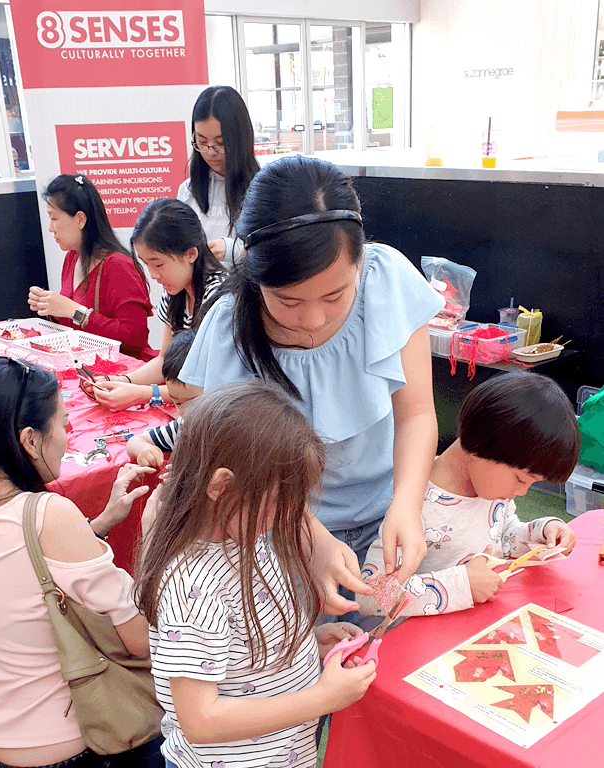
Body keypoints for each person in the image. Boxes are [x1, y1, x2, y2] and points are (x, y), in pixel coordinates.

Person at [177, 155, 446, 615]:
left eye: (336, 295)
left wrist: (406, 502)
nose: (314, 319)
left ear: (361, 262)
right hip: (275, 529)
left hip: (387, 513)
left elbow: (417, 414)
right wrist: (311, 539)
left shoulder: (387, 283)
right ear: (256, 277)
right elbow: (238, 467)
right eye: (288, 300)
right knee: (305, 661)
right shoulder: (228, 329)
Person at [137, 382, 374, 768]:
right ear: (221, 486)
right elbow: (200, 719)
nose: (290, 514)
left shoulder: (250, 536)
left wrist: (303, 646)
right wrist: (323, 698)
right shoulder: (194, 588)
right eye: (282, 500)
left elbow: (234, 650)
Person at [0, 357, 160, 768]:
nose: (69, 435)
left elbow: (24, 571)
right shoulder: (48, 512)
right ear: (29, 440)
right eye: (65, 424)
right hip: (70, 748)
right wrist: (154, 535)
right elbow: (142, 639)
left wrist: (96, 526)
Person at [358, 374, 580, 618]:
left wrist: (541, 532)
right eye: (520, 479)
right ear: (482, 445)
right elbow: (371, 595)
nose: (521, 492)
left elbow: (501, 537)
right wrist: (460, 585)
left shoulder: (491, 487)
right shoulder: (413, 503)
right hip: (421, 645)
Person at [88, 199, 226, 408]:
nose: (153, 275)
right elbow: (164, 359)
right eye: (146, 264)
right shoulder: (175, 291)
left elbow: (209, 385)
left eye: (158, 264)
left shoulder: (220, 298)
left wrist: (142, 393)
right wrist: (122, 381)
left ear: (191, 254)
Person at [27, 174, 152, 359]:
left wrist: (75, 311)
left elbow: (135, 338)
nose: (50, 228)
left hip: (125, 374)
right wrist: (49, 306)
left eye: (54, 218)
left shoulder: (118, 265)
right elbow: (73, 326)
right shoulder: (72, 257)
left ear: (80, 220)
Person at [177, 85, 261, 268]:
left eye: (220, 143)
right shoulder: (187, 191)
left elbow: (276, 252)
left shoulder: (263, 188)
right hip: (203, 294)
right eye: (202, 142)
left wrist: (232, 250)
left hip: (247, 294)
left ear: (240, 139)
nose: (210, 152)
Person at [124, 330, 199, 470]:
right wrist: (143, 449)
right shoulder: (183, 428)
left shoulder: (235, 433)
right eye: (177, 402)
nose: (185, 411)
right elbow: (135, 441)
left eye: (194, 401)